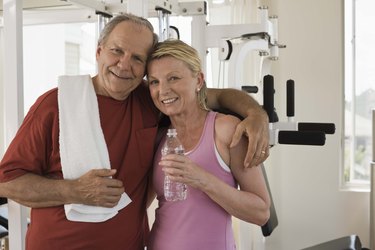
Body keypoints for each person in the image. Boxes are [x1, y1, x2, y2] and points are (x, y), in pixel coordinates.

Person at [0, 13, 268, 250]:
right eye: (117, 51)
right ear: (99, 51)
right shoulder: (54, 106)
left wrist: (256, 114)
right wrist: (74, 191)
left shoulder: (152, 99)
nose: (124, 65)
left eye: (137, 58)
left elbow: (219, 97)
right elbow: (7, 182)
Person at [146, 39, 271, 250]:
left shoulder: (225, 129)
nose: (163, 90)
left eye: (173, 78)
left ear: (198, 80)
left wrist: (202, 179)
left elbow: (261, 212)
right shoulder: (158, 136)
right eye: (154, 82)